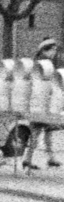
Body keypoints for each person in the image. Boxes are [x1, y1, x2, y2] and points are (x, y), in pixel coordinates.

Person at [22, 39, 62, 170]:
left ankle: (50, 158)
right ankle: (28, 159)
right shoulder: (43, 64)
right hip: (42, 104)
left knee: (47, 131)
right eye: (53, 50)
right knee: (37, 131)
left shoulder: (40, 61)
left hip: (41, 103)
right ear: (46, 50)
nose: (54, 53)